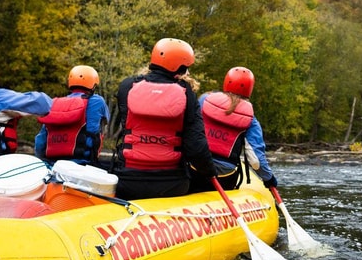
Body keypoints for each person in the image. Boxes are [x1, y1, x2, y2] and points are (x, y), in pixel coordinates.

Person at [110, 38, 218, 200]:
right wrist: (210, 172)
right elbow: (196, 147)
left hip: (128, 180)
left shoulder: (127, 87)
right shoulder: (187, 94)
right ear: (180, 68)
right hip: (171, 184)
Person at [192, 66, 279, 192]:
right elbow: (256, 161)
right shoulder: (251, 120)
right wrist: (269, 179)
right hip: (225, 178)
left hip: (194, 171)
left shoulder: (204, 100)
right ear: (250, 89)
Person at [35, 65, 109, 165]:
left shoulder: (55, 103)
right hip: (83, 164)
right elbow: (105, 124)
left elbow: (40, 142)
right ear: (93, 85)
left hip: (52, 163)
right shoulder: (97, 101)